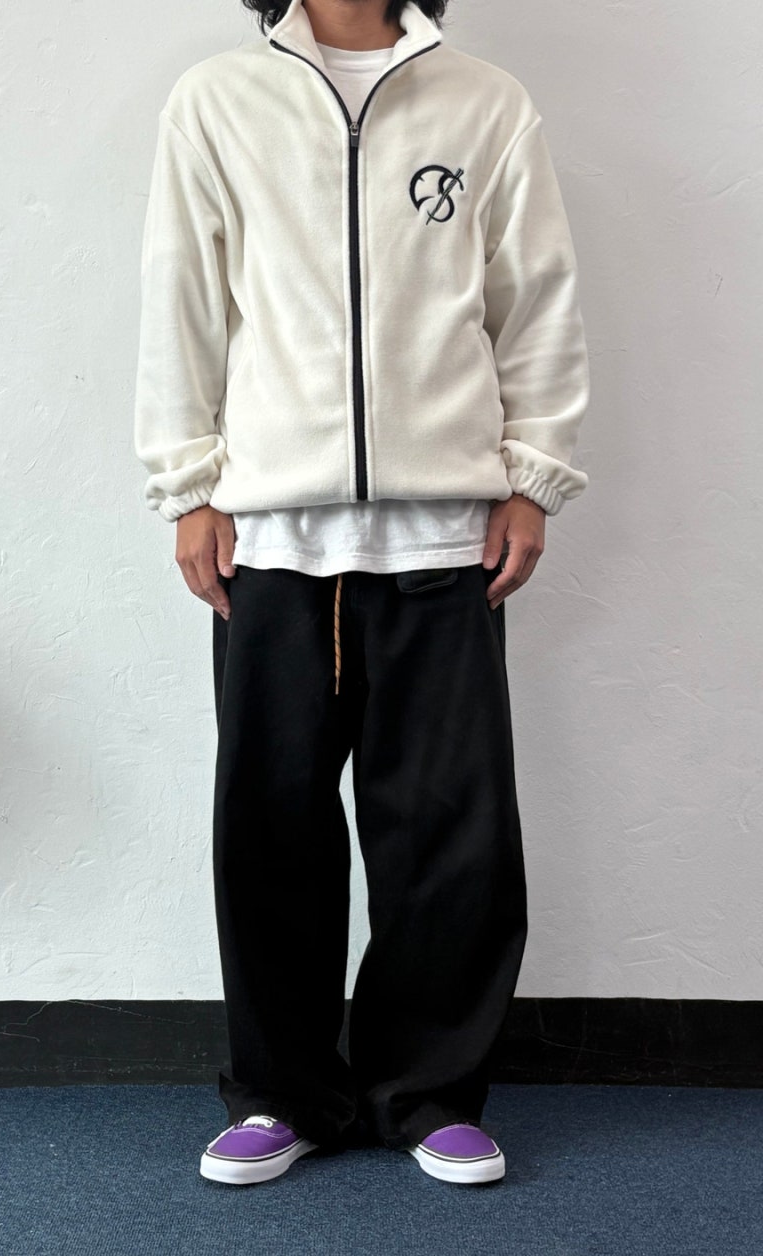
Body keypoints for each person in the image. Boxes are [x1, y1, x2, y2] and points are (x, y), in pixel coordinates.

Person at [133, 0, 590, 1187]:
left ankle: (426, 1091)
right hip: (274, 542)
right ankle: (281, 1092)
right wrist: (187, 485)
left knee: (448, 832)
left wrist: (532, 475)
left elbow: (532, 297)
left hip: (444, 537)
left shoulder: (483, 101)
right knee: (270, 826)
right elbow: (182, 297)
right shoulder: (217, 100)